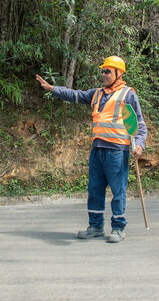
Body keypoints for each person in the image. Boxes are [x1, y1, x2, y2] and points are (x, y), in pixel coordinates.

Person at [36, 56, 147, 243]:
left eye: (107, 71)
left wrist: (140, 145)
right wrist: (53, 89)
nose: (103, 74)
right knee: (94, 190)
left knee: (118, 191)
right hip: (97, 151)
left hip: (117, 152)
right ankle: (95, 226)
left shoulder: (128, 95)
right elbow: (75, 95)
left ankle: (118, 228)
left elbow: (139, 125)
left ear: (119, 74)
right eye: (102, 71)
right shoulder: (97, 94)